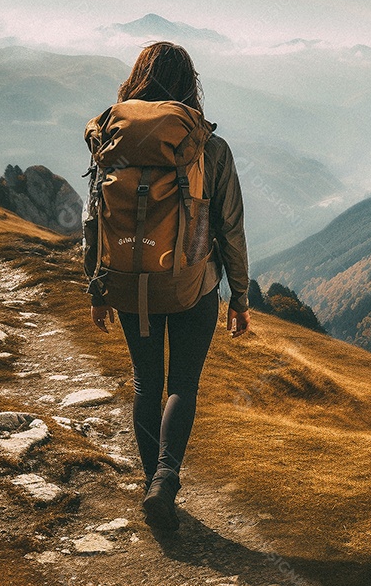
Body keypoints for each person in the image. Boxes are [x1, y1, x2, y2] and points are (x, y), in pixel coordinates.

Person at [82, 42, 250, 531]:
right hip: (193, 285)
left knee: (146, 383)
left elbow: (93, 219)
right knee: (182, 385)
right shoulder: (208, 147)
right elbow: (230, 228)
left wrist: (98, 287)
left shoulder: (111, 141)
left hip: (130, 284)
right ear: (189, 86)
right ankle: (165, 480)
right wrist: (239, 297)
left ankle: (151, 484)